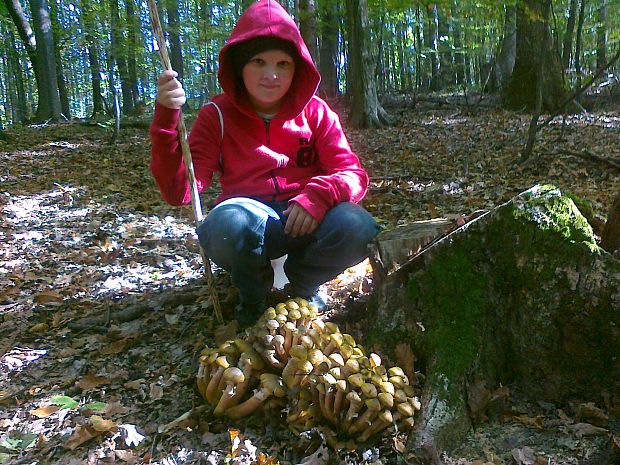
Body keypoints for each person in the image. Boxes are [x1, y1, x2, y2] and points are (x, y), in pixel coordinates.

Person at [150, 0, 378, 327]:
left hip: (306, 220)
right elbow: (181, 191)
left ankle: (300, 287)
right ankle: (253, 299)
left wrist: (317, 197)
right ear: (239, 66)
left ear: (297, 68)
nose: (271, 75)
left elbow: (352, 173)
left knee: (359, 227)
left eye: (283, 64)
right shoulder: (216, 115)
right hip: (249, 221)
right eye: (259, 61)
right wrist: (166, 117)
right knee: (224, 226)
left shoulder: (316, 113)